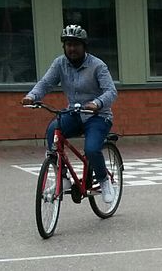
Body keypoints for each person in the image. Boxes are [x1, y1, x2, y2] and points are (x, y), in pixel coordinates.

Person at [21, 25, 118, 204]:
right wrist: (32, 96)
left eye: (75, 44)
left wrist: (97, 103)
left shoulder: (98, 66)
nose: (71, 49)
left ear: (84, 46)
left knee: (91, 149)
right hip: (74, 113)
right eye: (68, 44)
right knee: (53, 130)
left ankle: (104, 181)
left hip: (98, 116)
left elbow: (111, 92)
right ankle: (63, 178)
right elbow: (45, 83)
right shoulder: (60, 63)